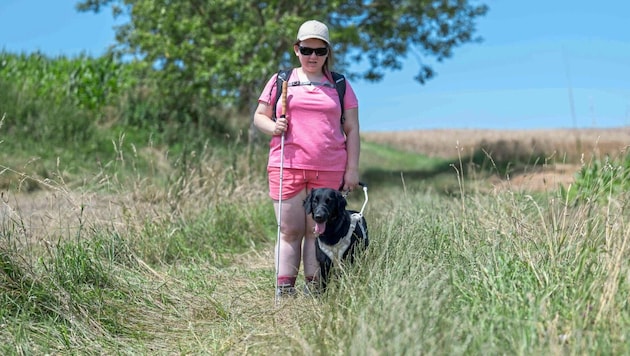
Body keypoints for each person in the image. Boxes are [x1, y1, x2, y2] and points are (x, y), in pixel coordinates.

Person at [253, 20, 361, 297]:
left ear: (328, 52)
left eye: (319, 51)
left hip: (329, 169)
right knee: (290, 231)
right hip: (286, 165)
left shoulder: (339, 84)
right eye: (306, 49)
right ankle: (285, 291)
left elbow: (352, 129)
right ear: (296, 49)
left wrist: (352, 170)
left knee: (317, 232)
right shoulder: (282, 80)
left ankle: (315, 289)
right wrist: (273, 126)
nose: (313, 56)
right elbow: (260, 117)